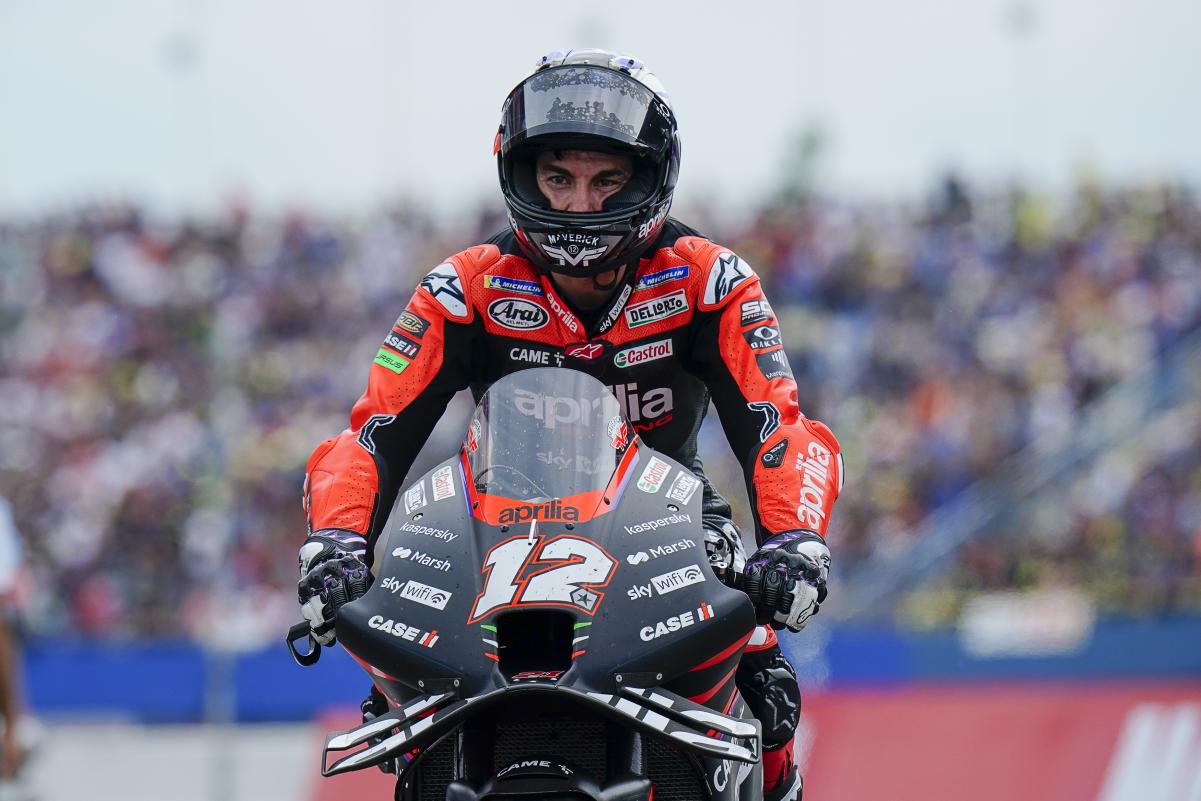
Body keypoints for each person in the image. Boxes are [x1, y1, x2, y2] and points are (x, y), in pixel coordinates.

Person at [298, 49, 843, 801]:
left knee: (768, 686)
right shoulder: (461, 287)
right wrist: (335, 542)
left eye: (605, 180)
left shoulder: (711, 279)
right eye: (558, 178)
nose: (580, 205)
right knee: (400, 690)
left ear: (649, 177)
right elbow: (370, 432)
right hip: (491, 527)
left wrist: (794, 540)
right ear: (520, 175)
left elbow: (779, 424)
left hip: (671, 523)